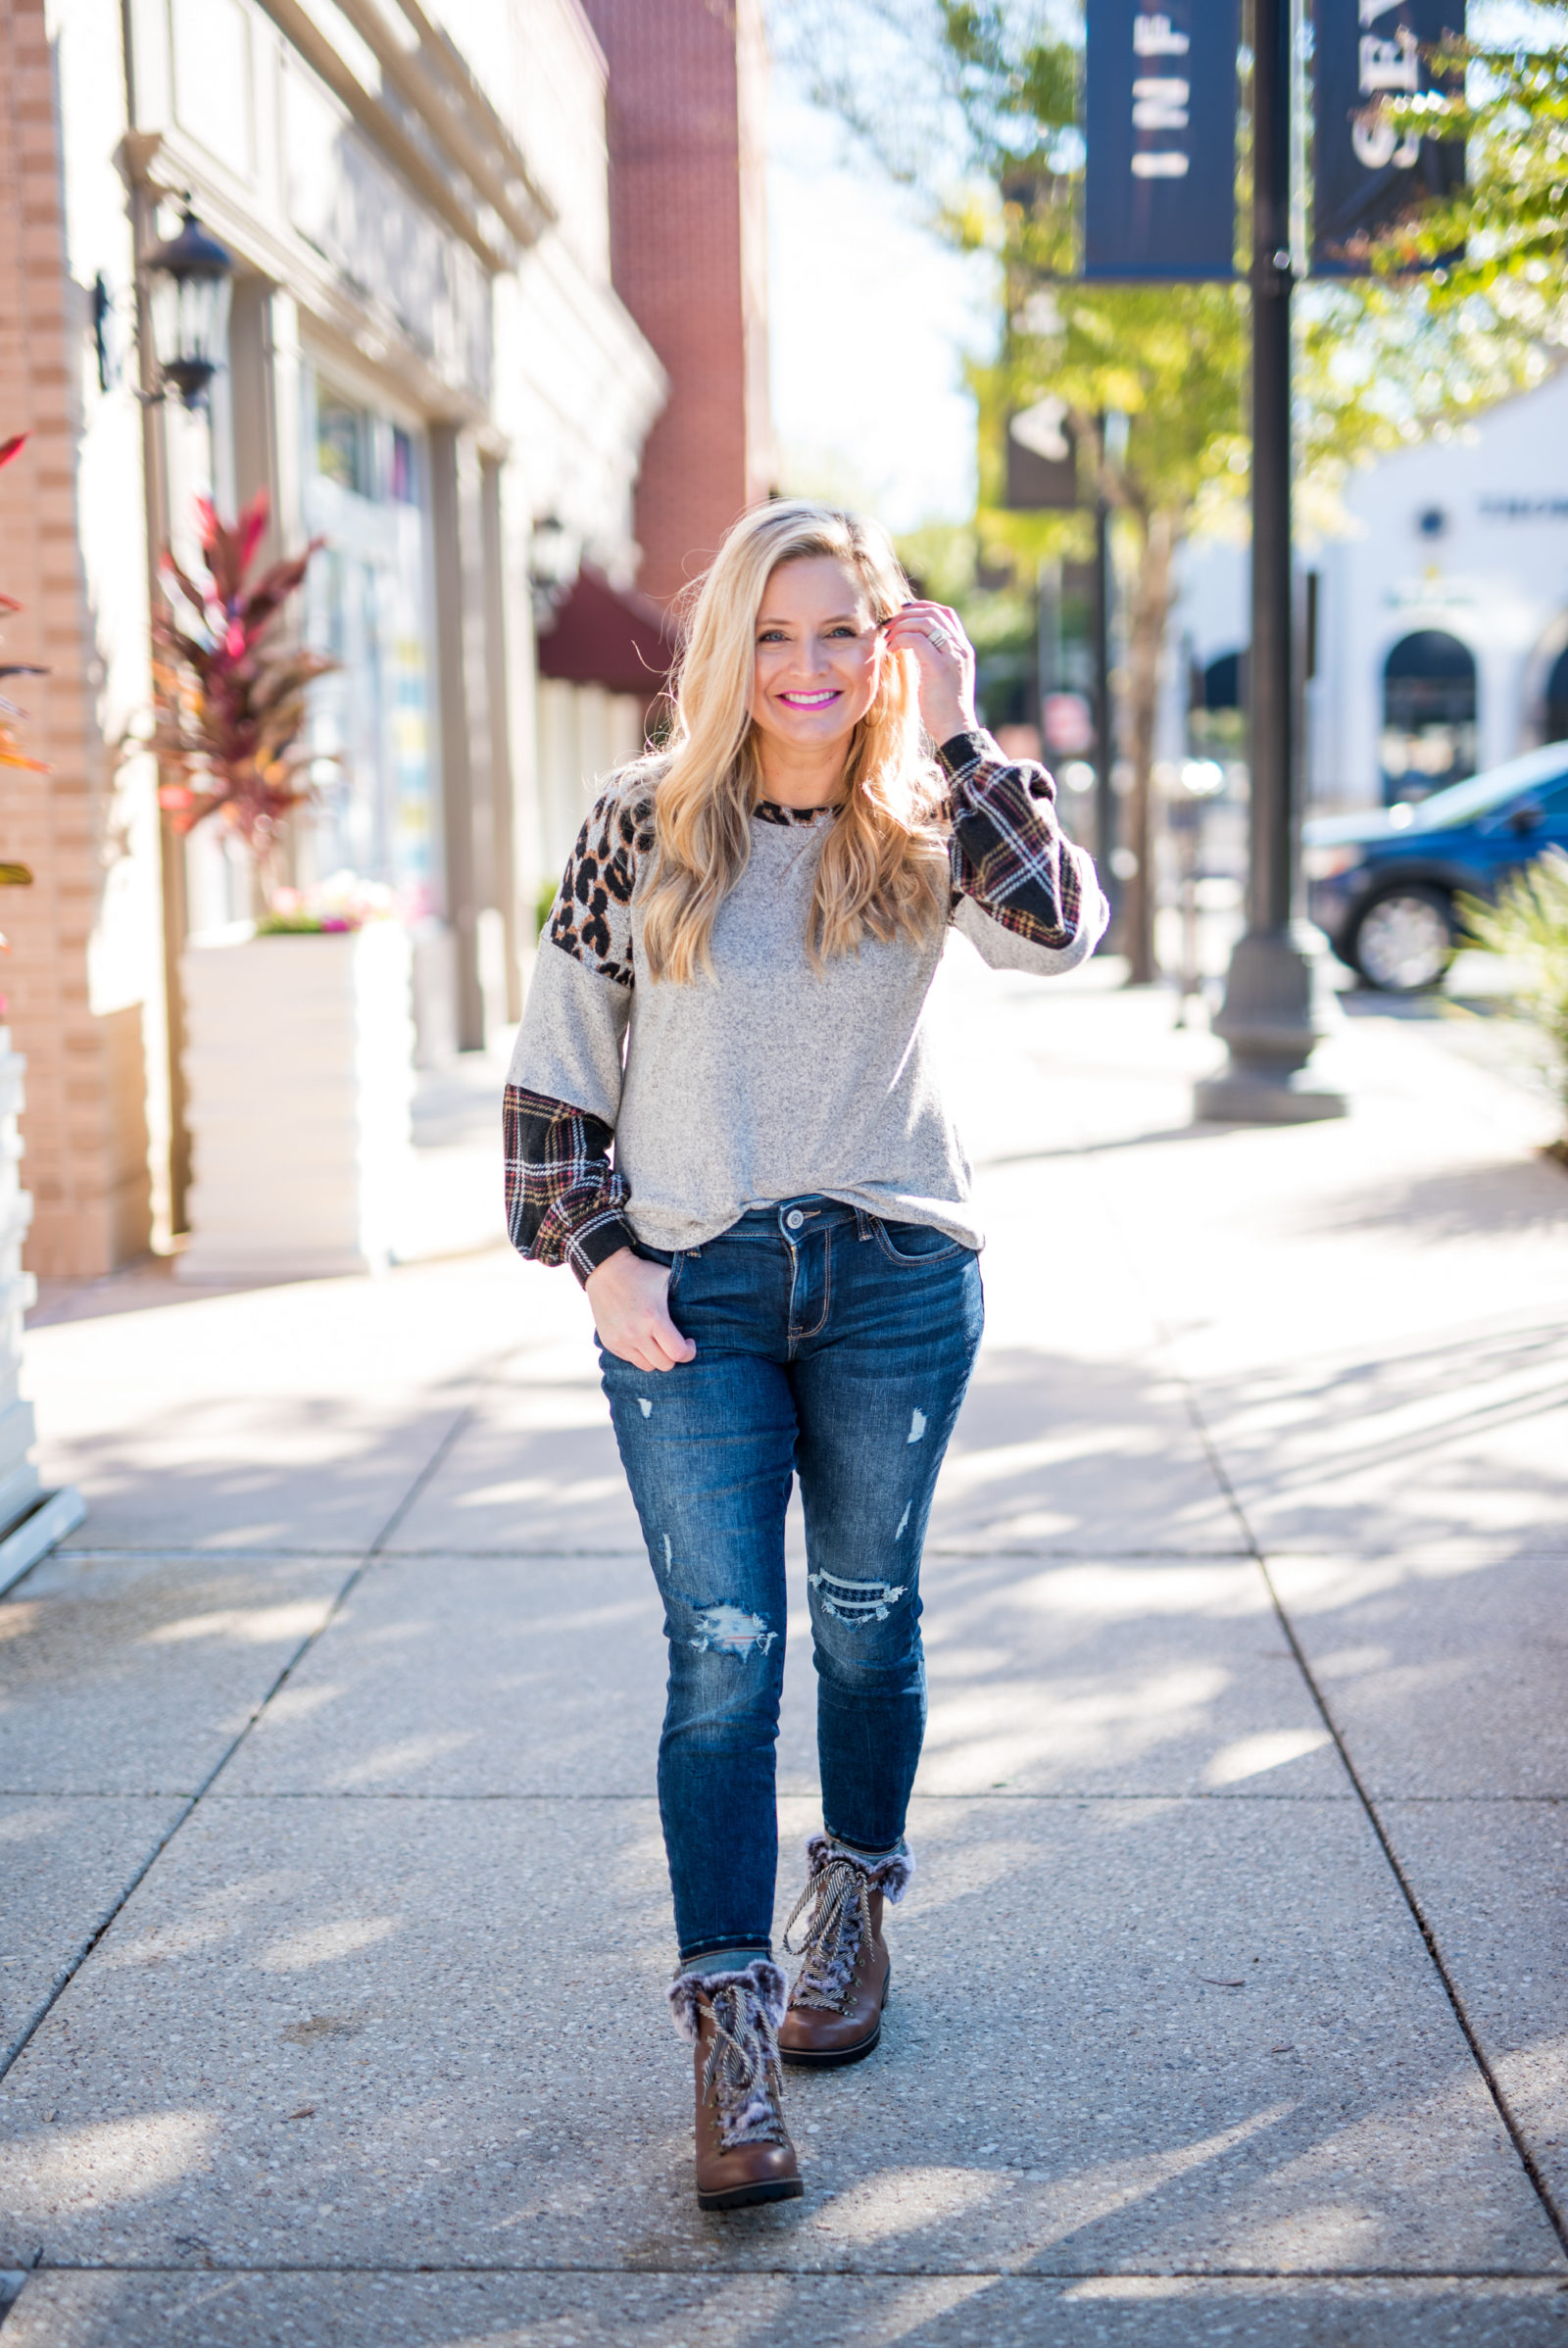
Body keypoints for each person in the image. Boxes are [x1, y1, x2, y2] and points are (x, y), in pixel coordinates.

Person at [503, 499, 1107, 2211]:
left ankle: (848, 1900)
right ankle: (729, 2023)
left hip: (899, 1281)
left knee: (864, 1620)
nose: (812, 666)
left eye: (845, 630)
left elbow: (1064, 929)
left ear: (888, 643)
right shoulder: (636, 822)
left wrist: (964, 728)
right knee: (721, 1651)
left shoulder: (931, 813)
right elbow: (557, 1074)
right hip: (691, 1299)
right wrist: (601, 1257)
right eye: (777, 632)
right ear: (727, 653)